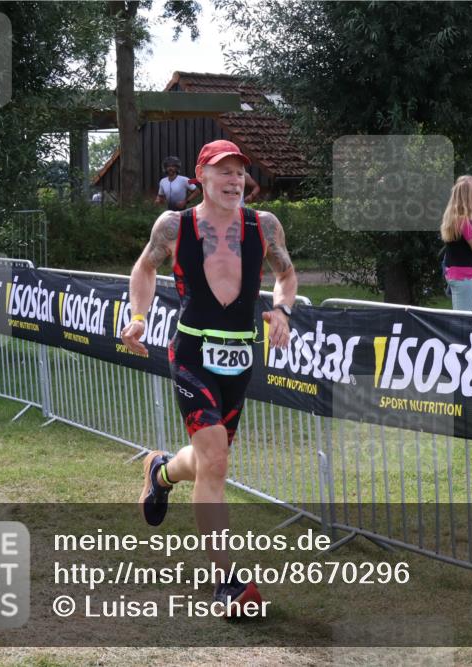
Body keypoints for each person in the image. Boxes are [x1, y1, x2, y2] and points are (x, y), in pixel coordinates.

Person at [123, 139, 297, 615]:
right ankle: (225, 580)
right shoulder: (175, 225)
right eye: (224, 172)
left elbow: (286, 274)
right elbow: (143, 268)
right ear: (201, 177)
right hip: (193, 353)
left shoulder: (263, 225)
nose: (234, 180)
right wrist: (138, 316)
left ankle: (160, 471)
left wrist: (282, 310)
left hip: (240, 357)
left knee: (206, 461)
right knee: (216, 460)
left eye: (240, 172)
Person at [441, 175, 472, 311]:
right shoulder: (464, 221)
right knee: (463, 318)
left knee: (463, 314)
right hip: (465, 274)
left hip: (455, 271)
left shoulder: (451, 218)